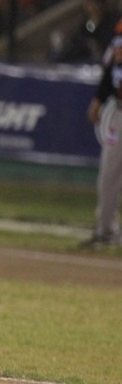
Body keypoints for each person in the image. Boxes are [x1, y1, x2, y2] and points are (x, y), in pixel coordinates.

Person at [83, 19, 122, 249]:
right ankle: (106, 230)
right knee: (109, 172)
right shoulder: (119, 30)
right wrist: (98, 99)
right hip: (119, 113)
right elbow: (111, 70)